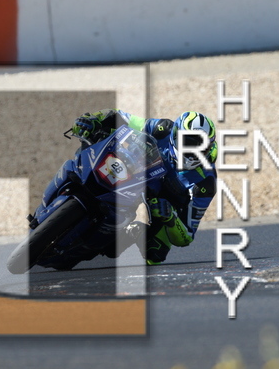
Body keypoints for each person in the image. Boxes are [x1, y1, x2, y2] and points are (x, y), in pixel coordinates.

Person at [71, 109, 218, 265]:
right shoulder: (162, 128)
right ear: (175, 135)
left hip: (159, 199)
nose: (193, 151)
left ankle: (127, 234)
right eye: (188, 142)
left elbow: (186, 236)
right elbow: (122, 118)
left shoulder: (205, 183)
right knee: (98, 137)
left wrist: (170, 217)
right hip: (135, 169)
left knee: (155, 252)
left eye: (201, 146)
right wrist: (95, 119)